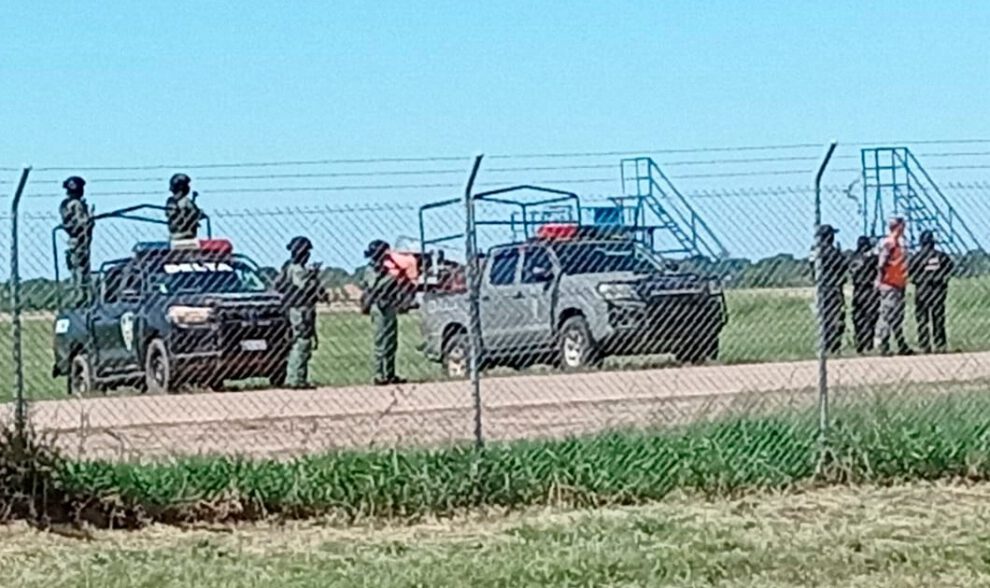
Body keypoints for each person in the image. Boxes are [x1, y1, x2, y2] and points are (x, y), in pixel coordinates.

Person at [274, 236, 329, 389]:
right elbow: (305, 286)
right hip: (300, 308)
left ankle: (294, 378)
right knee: (302, 342)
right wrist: (313, 275)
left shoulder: (288, 267)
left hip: (297, 308)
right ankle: (297, 379)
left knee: (298, 343)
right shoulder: (297, 269)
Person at [360, 239, 406, 386]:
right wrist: (392, 277)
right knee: (380, 340)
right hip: (378, 306)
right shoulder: (370, 269)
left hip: (389, 304)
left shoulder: (385, 267)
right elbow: (375, 286)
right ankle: (379, 374)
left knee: (391, 341)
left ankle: (390, 373)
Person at [910, 230, 954, 353]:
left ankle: (925, 345)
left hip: (922, 291)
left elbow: (910, 271)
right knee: (938, 318)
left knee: (922, 319)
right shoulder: (941, 256)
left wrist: (918, 279)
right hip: (938, 290)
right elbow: (950, 267)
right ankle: (940, 344)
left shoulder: (917, 257)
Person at [875, 217, 913, 356]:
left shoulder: (900, 243)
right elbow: (881, 264)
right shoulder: (889, 243)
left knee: (898, 316)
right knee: (888, 314)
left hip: (898, 283)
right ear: (898, 226)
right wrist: (879, 279)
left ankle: (901, 344)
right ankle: (883, 344)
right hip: (889, 284)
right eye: (902, 225)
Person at [810, 224, 848, 354]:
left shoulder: (815, 251)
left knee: (823, 317)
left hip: (821, 287)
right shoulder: (831, 252)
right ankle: (833, 345)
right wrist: (840, 254)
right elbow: (842, 266)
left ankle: (824, 344)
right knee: (835, 317)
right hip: (833, 287)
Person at [58, 176, 93, 306]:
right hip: (80, 239)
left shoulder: (65, 204)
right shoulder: (76, 204)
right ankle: (81, 297)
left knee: (76, 268)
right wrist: (90, 220)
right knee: (81, 269)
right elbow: (82, 222)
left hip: (74, 240)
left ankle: (80, 295)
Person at [848, 235, 879, 354]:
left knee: (858, 317)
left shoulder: (853, 257)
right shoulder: (871, 259)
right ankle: (868, 344)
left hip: (857, 289)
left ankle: (859, 343)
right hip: (869, 289)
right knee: (870, 317)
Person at [165, 173, 203, 242]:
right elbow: (197, 214)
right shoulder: (185, 201)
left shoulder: (170, 201)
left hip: (178, 235)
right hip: (185, 235)